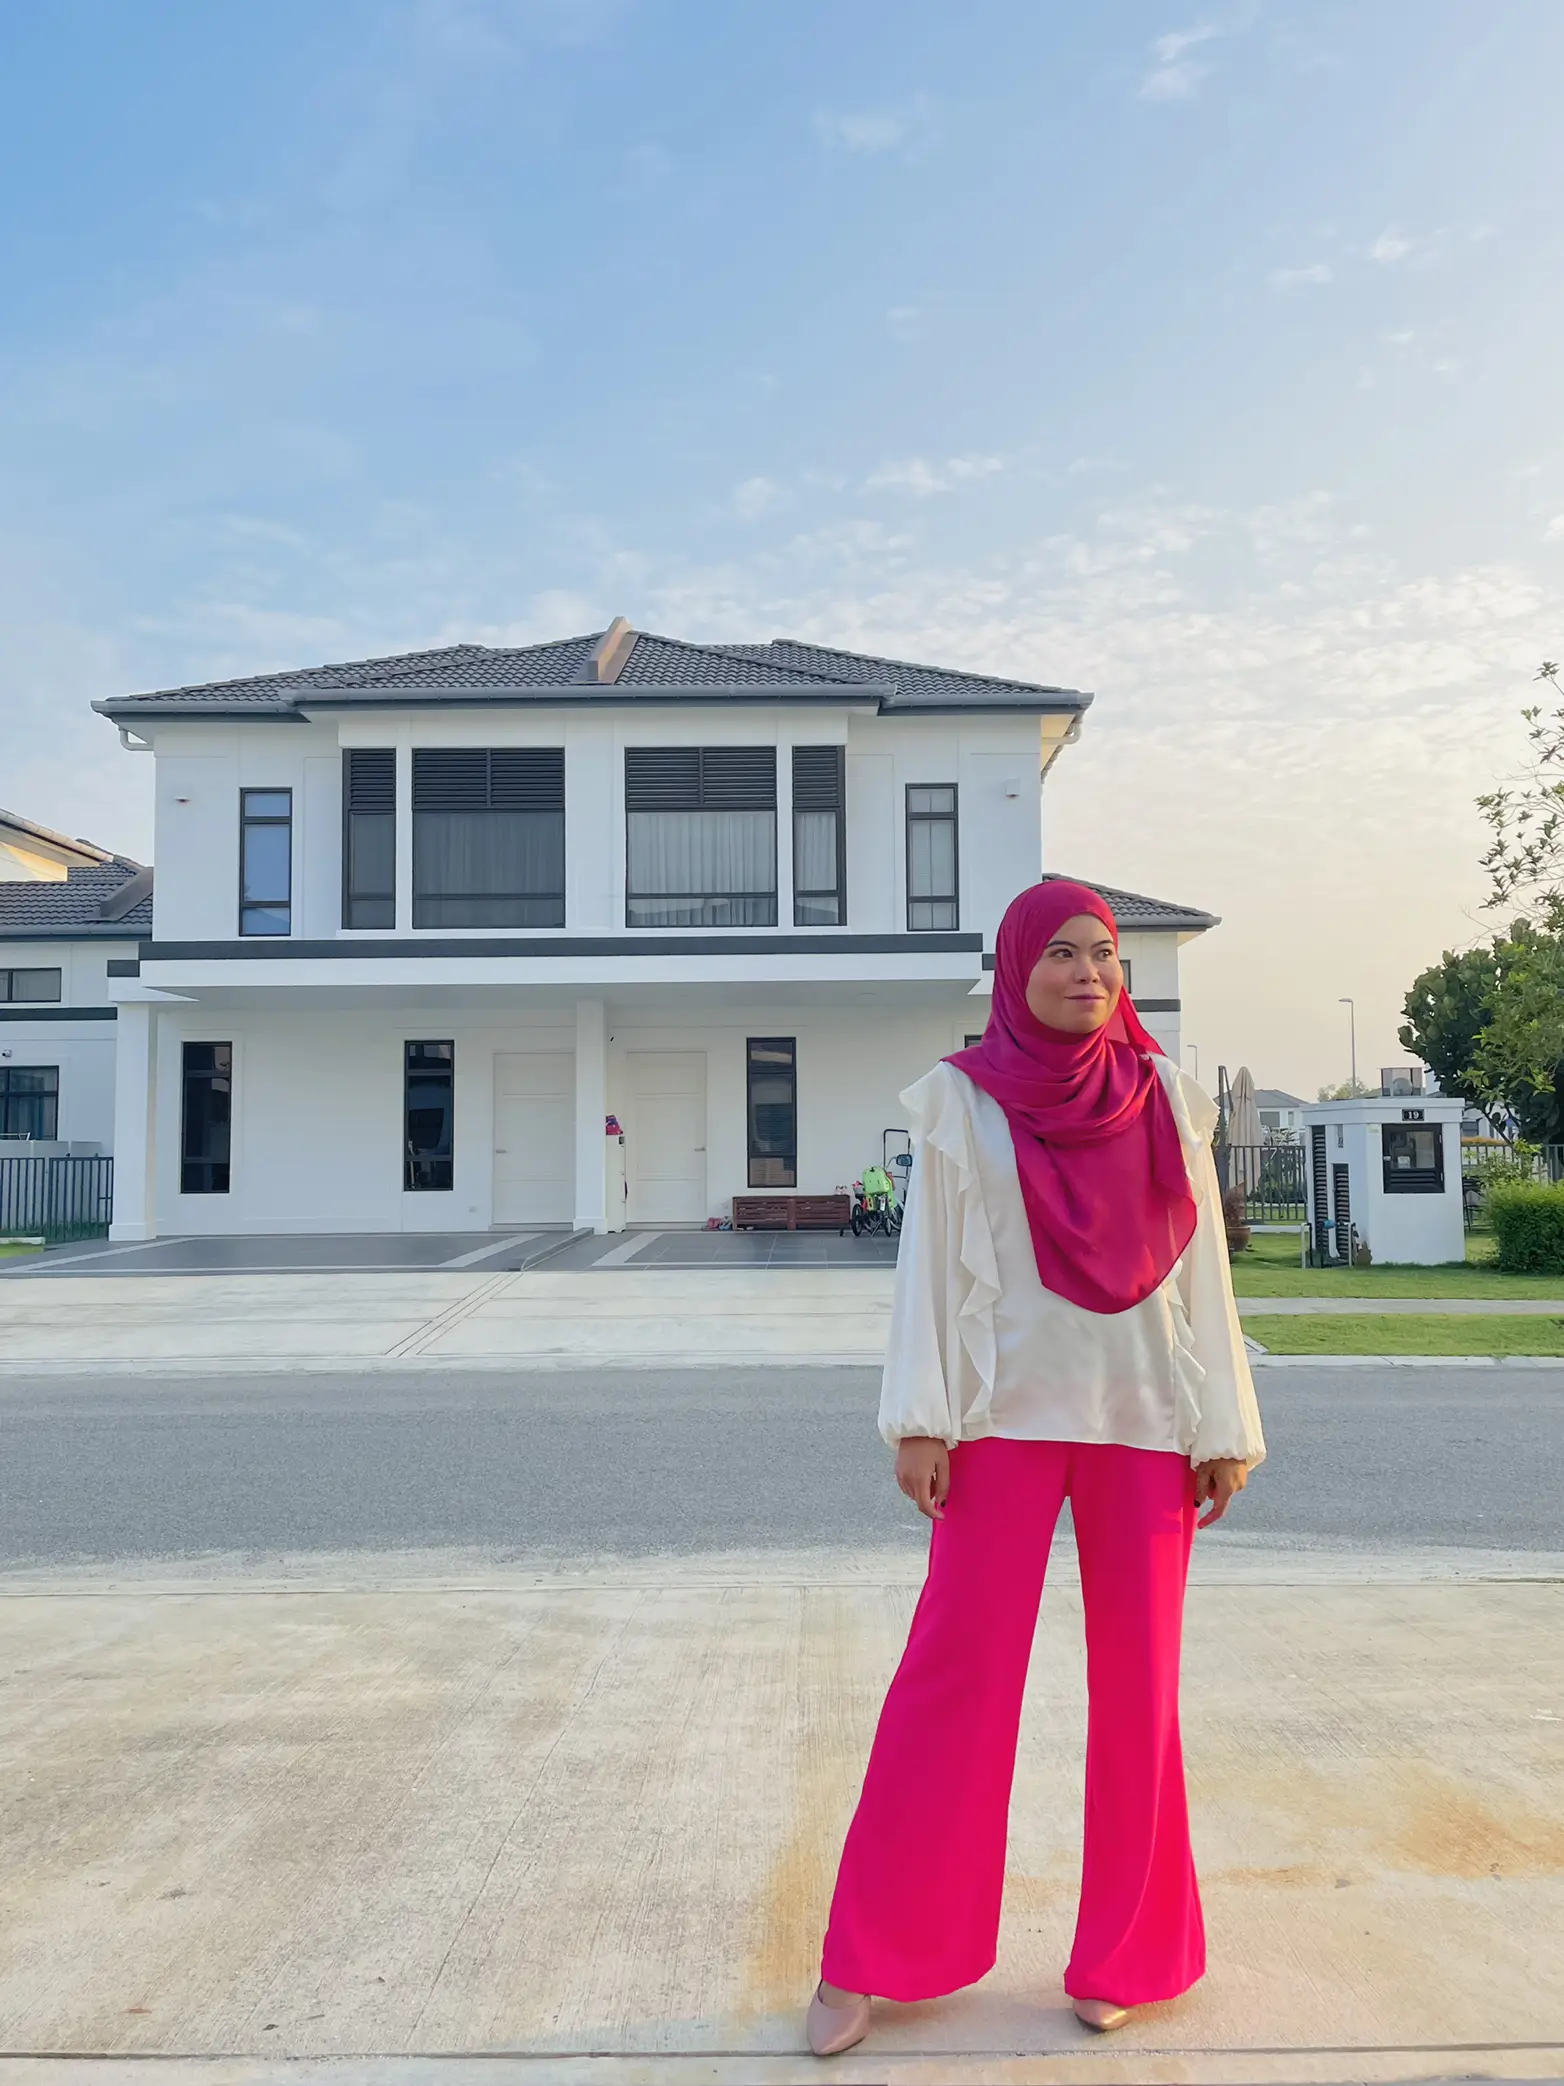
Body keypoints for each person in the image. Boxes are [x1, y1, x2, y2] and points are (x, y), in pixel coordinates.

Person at [806, 879, 1265, 2059]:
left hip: (1146, 1422)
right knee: (951, 1682)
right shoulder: (962, 1102)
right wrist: (921, 1418)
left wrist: (1222, 1424)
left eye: (1104, 956)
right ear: (1014, 969)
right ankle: (870, 1955)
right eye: (1060, 953)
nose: (1088, 974)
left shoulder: (1165, 1095)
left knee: (1140, 1693)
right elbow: (929, 1263)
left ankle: (1128, 1952)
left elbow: (1204, 1271)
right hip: (1001, 1420)